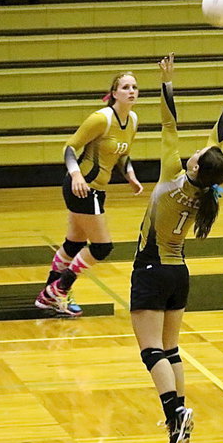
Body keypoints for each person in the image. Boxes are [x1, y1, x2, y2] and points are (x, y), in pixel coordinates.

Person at [132, 53, 223, 443]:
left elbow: (169, 124)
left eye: (200, 157)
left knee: (151, 350)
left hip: (151, 270)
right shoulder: (205, 192)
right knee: (171, 349)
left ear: (198, 168)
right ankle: (179, 414)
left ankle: (174, 414)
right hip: (179, 273)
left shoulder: (172, 174)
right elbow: (214, 145)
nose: (198, 152)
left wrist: (166, 83)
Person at [35, 72, 144, 317]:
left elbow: (123, 154)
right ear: (114, 93)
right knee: (102, 247)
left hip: (98, 189)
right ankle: (57, 291)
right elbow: (70, 147)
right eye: (125, 87)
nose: (131, 91)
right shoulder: (101, 119)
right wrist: (76, 176)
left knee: (73, 243)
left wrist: (130, 175)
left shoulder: (133, 120)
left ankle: (48, 297)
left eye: (135, 87)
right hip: (83, 188)